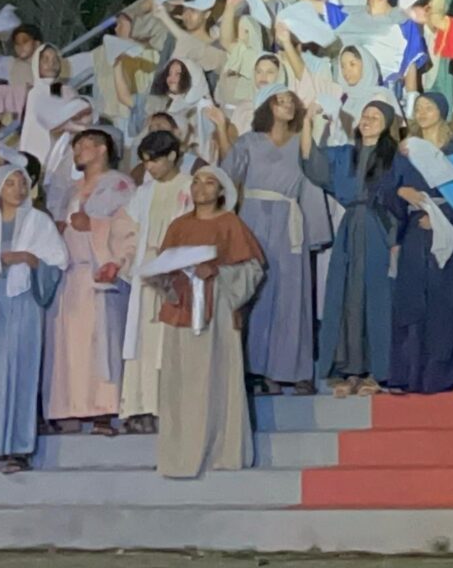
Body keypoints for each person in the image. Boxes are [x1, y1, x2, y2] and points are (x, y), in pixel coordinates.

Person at [153, 165, 267, 478]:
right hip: (181, 313)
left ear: (221, 191)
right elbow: (163, 269)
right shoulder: (178, 226)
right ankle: (180, 455)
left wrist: (216, 273)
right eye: (196, 182)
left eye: (209, 182)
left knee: (215, 380)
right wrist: (167, 278)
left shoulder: (230, 224)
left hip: (216, 315)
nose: (200, 188)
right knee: (181, 383)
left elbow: (252, 270)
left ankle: (219, 450)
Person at [220, 82, 332, 394]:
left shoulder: (299, 143)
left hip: (289, 221)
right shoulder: (250, 141)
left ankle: (295, 370)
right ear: (267, 105)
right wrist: (220, 129)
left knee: (293, 296)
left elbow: (312, 181)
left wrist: (315, 231)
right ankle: (257, 370)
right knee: (257, 293)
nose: (287, 105)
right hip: (254, 218)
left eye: (290, 101)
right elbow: (229, 174)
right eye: (280, 100)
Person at [306, 96, 418, 396]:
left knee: (379, 298)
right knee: (349, 297)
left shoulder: (396, 160)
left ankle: (380, 371)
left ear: (385, 126)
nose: (367, 121)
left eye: (375, 117)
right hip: (351, 228)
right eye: (365, 115)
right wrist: (306, 122)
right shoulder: (346, 154)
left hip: (381, 228)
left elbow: (408, 196)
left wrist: (397, 238)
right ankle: (351, 369)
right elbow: (313, 163)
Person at [0, 164, 64, 472]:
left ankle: (17, 448)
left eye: (22, 183)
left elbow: (56, 262)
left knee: (20, 371)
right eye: (10, 183)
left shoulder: (39, 222)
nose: (18, 189)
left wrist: (27, 259)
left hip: (22, 301)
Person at [48, 129, 137, 434]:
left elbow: (130, 228)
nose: (78, 151)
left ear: (102, 149)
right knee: (71, 348)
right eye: (76, 147)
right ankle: (72, 409)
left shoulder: (119, 185)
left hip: (100, 273)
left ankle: (104, 410)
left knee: (101, 343)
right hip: (71, 275)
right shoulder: (70, 190)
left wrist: (94, 225)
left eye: (85, 145)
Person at [392, 90, 453, 396]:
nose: (422, 112)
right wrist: (401, 193)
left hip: (451, 233)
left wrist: (442, 218)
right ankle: (412, 374)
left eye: (428, 107)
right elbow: (389, 188)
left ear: (442, 112)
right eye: (418, 108)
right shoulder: (407, 150)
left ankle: (443, 375)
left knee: (446, 304)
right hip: (416, 235)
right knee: (415, 303)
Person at [118, 130, 194, 433]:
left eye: (154, 161)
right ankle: (141, 405)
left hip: (175, 272)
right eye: (145, 162)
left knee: (168, 340)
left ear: (172, 156)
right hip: (146, 270)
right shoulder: (144, 192)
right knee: (144, 340)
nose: (149, 167)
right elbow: (128, 229)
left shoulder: (189, 186)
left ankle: (168, 407)